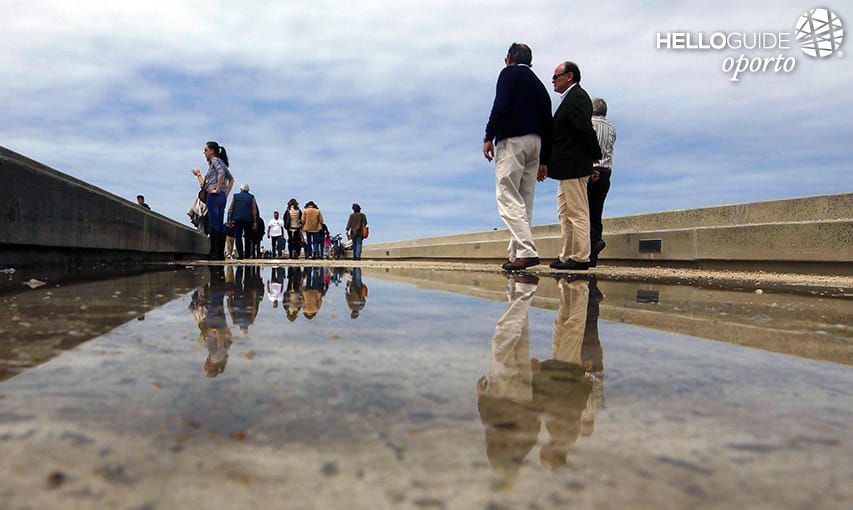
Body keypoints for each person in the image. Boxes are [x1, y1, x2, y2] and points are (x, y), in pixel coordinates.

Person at [483, 42, 553, 271]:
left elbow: (501, 105)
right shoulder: (540, 86)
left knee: (506, 194)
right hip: (536, 143)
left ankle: (527, 251)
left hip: (513, 139)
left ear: (510, 58)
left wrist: (488, 136)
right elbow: (548, 122)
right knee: (525, 200)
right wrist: (545, 159)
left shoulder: (508, 74)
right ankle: (516, 254)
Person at [539, 62, 602, 270]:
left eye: (556, 76)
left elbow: (584, 129)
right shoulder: (570, 99)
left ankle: (581, 256)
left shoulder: (578, 98)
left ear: (570, 76)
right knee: (565, 213)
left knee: (577, 212)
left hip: (574, 165)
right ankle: (566, 255)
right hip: (566, 168)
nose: (553, 80)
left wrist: (594, 156)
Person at [191, 141, 233, 260]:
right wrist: (225, 193)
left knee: (214, 223)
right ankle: (220, 253)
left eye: (205, 150)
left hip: (214, 196)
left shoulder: (215, 161)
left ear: (212, 151)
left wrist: (217, 189)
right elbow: (231, 180)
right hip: (221, 197)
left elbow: (220, 174)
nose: (204, 152)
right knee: (220, 223)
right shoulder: (222, 163)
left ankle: (214, 253)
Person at [588, 98, 616, 267]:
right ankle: (593, 254)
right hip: (606, 174)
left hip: (592, 172)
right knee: (596, 213)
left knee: (583, 212)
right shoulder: (611, 129)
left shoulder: (589, 124)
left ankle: (593, 244)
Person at [226, 183, 259, 259]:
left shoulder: (235, 196)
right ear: (248, 190)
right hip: (248, 220)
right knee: (247, 237)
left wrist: (229, 220)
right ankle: (247, 254)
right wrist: (254, 222)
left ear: (240, 189)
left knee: (238, 237)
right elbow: (254, 210)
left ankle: (240, 255)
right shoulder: (251, 197)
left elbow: (231, 209)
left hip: (237, 219)